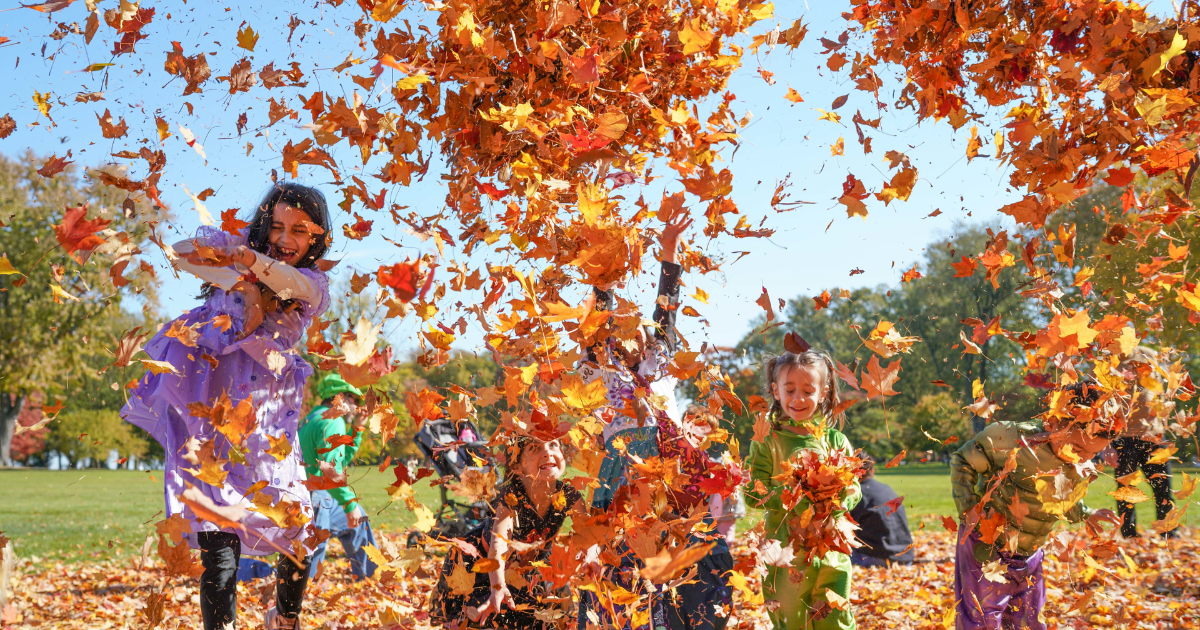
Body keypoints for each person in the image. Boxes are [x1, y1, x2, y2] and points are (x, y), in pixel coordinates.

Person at [121, 182, 333, 630]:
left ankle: (286, 617)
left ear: (317, 239)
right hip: (214, 436)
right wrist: (234, 265)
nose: (285, 238)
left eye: (299, 230)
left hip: (268, 437)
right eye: (275, 227)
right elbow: (180, 253)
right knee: (219, 558)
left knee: (298, 539)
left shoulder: (312, 285)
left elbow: (288, 281)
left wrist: (252, 265)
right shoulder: (238, 269)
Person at [950, 380, 1121, 630]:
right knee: (982, 618)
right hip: (987, 545)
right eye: (1077, 448)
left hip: (1030, 555)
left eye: (1091, 455)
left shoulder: (1075, 463)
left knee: (1030, 618)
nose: (1082, 459)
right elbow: (963, 459)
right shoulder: (1015, 439)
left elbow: (1059, 501)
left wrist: (1086, 513)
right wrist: (968, 508)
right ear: (1053, 423)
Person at [745, 350, 861, 630]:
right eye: (790, 389)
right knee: (791, 622)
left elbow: (854, 486)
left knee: (835, 620)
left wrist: (841, 496)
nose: (798, 398)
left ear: (823, 393)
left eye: (808, 390)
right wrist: (790, 496)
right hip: (785, 555)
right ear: (776, 391)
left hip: (831, 553)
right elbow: (752, 493)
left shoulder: (836, 440)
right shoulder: (767, 440)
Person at [431, 436, 585, 630]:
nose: (547, 452)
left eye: (553, 445)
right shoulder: (511, 499)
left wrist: (592, 557)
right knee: (475, 622)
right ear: (517, 466)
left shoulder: (570, 495)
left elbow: (589, 534)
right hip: (482, 566)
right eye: (534, 448)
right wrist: (498, 587)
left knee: (550, 621)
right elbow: (498, 546)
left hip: (531, 566)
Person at [299, 373, 379, 581]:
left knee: (358, 520)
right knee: (310, 564)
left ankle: (370, 576)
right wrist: (348, 503)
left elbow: (341, 456)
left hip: (305, 496)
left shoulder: (312, 418)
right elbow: (331, 469)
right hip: (315, 499)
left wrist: (358, 429)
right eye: (355, 400)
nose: (357, 406)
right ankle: (306, 591)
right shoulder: (333, 421)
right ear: (341, 397)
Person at [1110, 347, 1176, 538]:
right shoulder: (1108, 359)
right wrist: (1107, 444)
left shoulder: (1149, 353)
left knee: (1163, 489)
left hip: (1154, 436)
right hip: (1123, 438)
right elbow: (1098, 402)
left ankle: (1169, 535)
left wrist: (1163, 424)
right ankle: (1130, 536)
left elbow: (1161, 391)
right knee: (1126, 492)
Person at [847, 455, 914, 568]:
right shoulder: (887, 489)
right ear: (872, 471)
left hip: (878, 559)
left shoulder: (856, 494)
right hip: (905, 558)